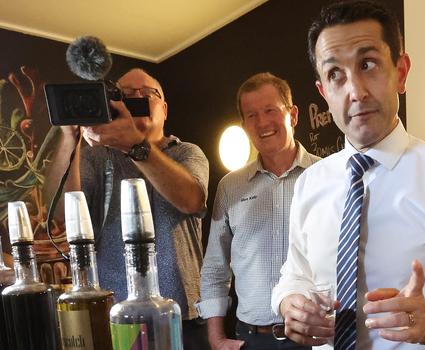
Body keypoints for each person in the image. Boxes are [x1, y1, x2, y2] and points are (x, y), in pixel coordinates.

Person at [271, 0, 425, 349]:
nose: (355, 91)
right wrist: (289, 304)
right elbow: (294, 275)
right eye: (335, 75)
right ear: (324, 92)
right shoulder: (310, 184)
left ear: (400, 72)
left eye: (368, 64)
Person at [44, 68, 210, 349]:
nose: (136, 99)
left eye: (147, 94)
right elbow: (62, 212)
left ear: (165, 109)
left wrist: (135, 144)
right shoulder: (98, 158)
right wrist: (70, 139)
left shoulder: (186, 152)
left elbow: (191, 199)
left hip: (185, 313)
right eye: (125, 95)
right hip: (121, 313)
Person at [197, 72, 320, 350]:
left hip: (314, 337)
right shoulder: (230, 187)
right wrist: (216, 340)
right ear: (244, 125)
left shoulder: (326, 176)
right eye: (251, 115)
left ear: (293, 115)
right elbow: (216, 268)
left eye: (270, 110)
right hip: (251, 339)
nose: (262, 122)